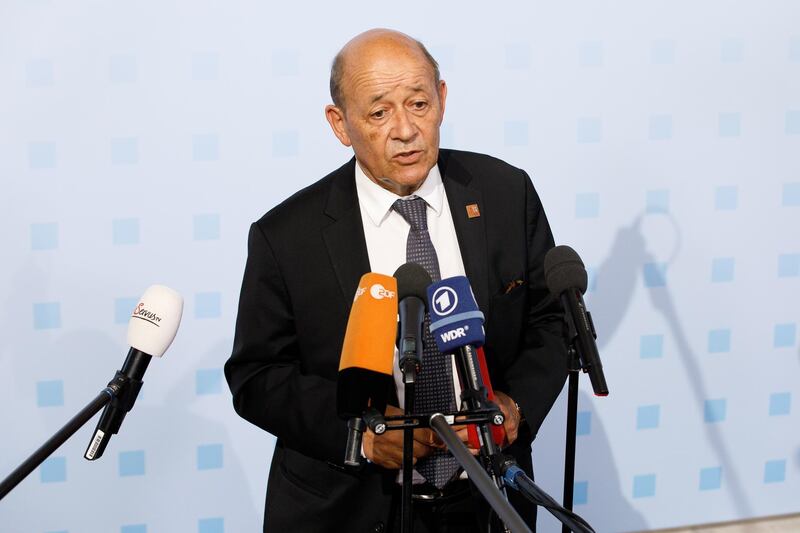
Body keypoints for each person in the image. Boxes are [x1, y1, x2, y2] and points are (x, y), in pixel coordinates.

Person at [225, 29, 568, 533]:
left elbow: (552, 320)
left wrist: (515, 404)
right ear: (340, 124)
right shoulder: (285, 236)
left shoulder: (503, 192)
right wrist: (360, 436)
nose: (406, 130)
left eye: (419, 103)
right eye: (379, 112)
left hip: (485, 502)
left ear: (443, 99)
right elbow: (257, 377)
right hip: (347, 508)